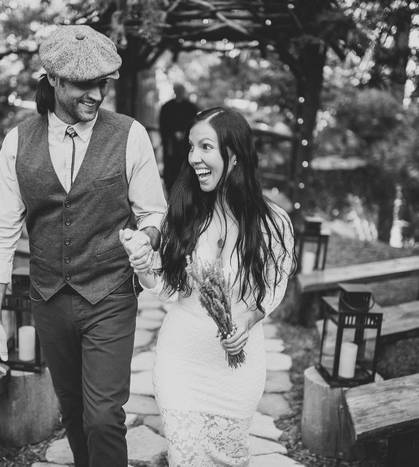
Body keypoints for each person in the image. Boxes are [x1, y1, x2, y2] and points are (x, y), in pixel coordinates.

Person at [0, 25, 167, 467]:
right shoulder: (16, 144)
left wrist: (147, 237)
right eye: (85, 84)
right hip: (48, 299)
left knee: (103, 417)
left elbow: (154, 212)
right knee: (75, 413)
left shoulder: (130, 134)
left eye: (102, 84)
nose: (97, 95)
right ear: (55, 80)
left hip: (110, 295)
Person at [120, 107, 296, 466]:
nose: (194, 158)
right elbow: (168, 287)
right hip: (180, 362)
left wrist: (245, 321)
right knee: (185, 459)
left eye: (205, 147)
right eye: (191, 147)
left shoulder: (272, 223)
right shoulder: (184, 212)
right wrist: (143, 266)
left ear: (233, 156)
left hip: (236, 375)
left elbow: (272, 290)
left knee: (229, 459)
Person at [159, 82, 199, 194]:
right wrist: (173, 134)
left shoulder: (191, 108)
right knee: (171, 171)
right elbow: (164, 125)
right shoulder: (167, 107)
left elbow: (194, 123)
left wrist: (185, 133)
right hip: (171, 145)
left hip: (186, 144)